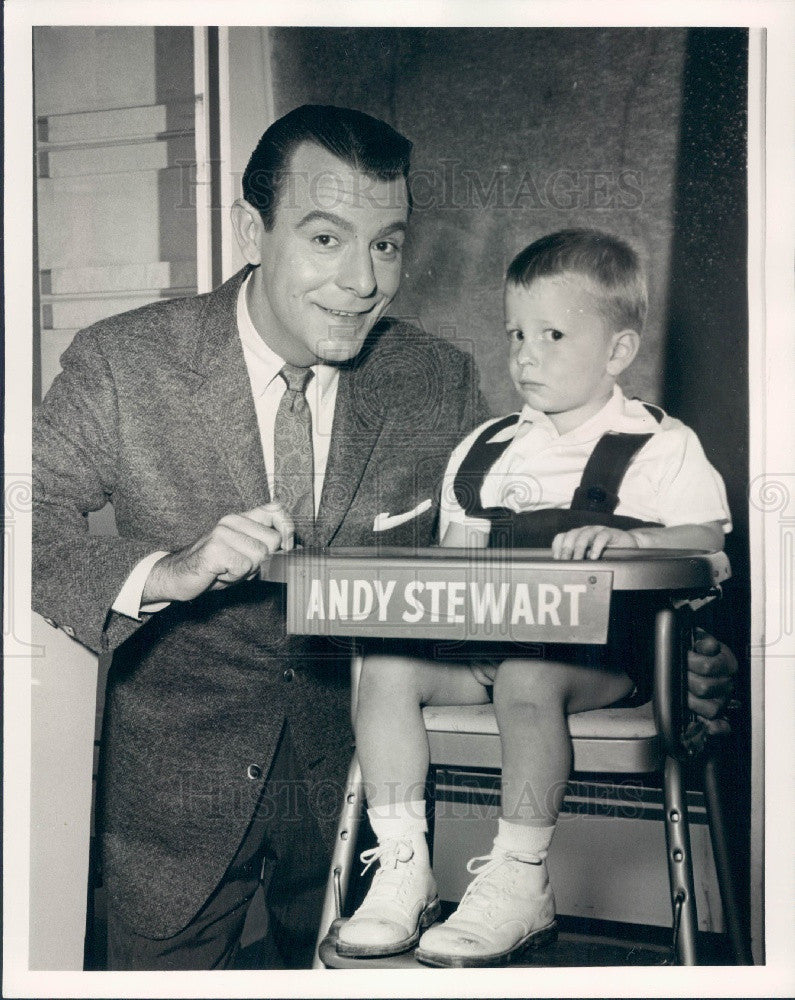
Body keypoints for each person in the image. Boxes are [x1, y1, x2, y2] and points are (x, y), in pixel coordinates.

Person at [32, 106, 736, 970]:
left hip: (367, 827)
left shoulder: (436, 379)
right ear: (251, 231)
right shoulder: (122, 362)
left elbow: (507, 563)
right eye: (326, 240)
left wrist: (680, 648)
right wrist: (169, 571)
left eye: (387, 244)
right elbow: (22, 522)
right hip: (176, 823)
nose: (363, 281)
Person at [335, 228, 733, 968]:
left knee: (525, 676)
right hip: (487, 645)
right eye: (516, 332)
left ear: (616, 352)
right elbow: (452, 565)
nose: (524, 353)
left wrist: (634, 542)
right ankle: (400, 869)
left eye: (552, 334)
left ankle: (519, 878)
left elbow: (708, 539)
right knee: (385, 667)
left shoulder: (654, 443)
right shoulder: (485, 448)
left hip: (604, 664)